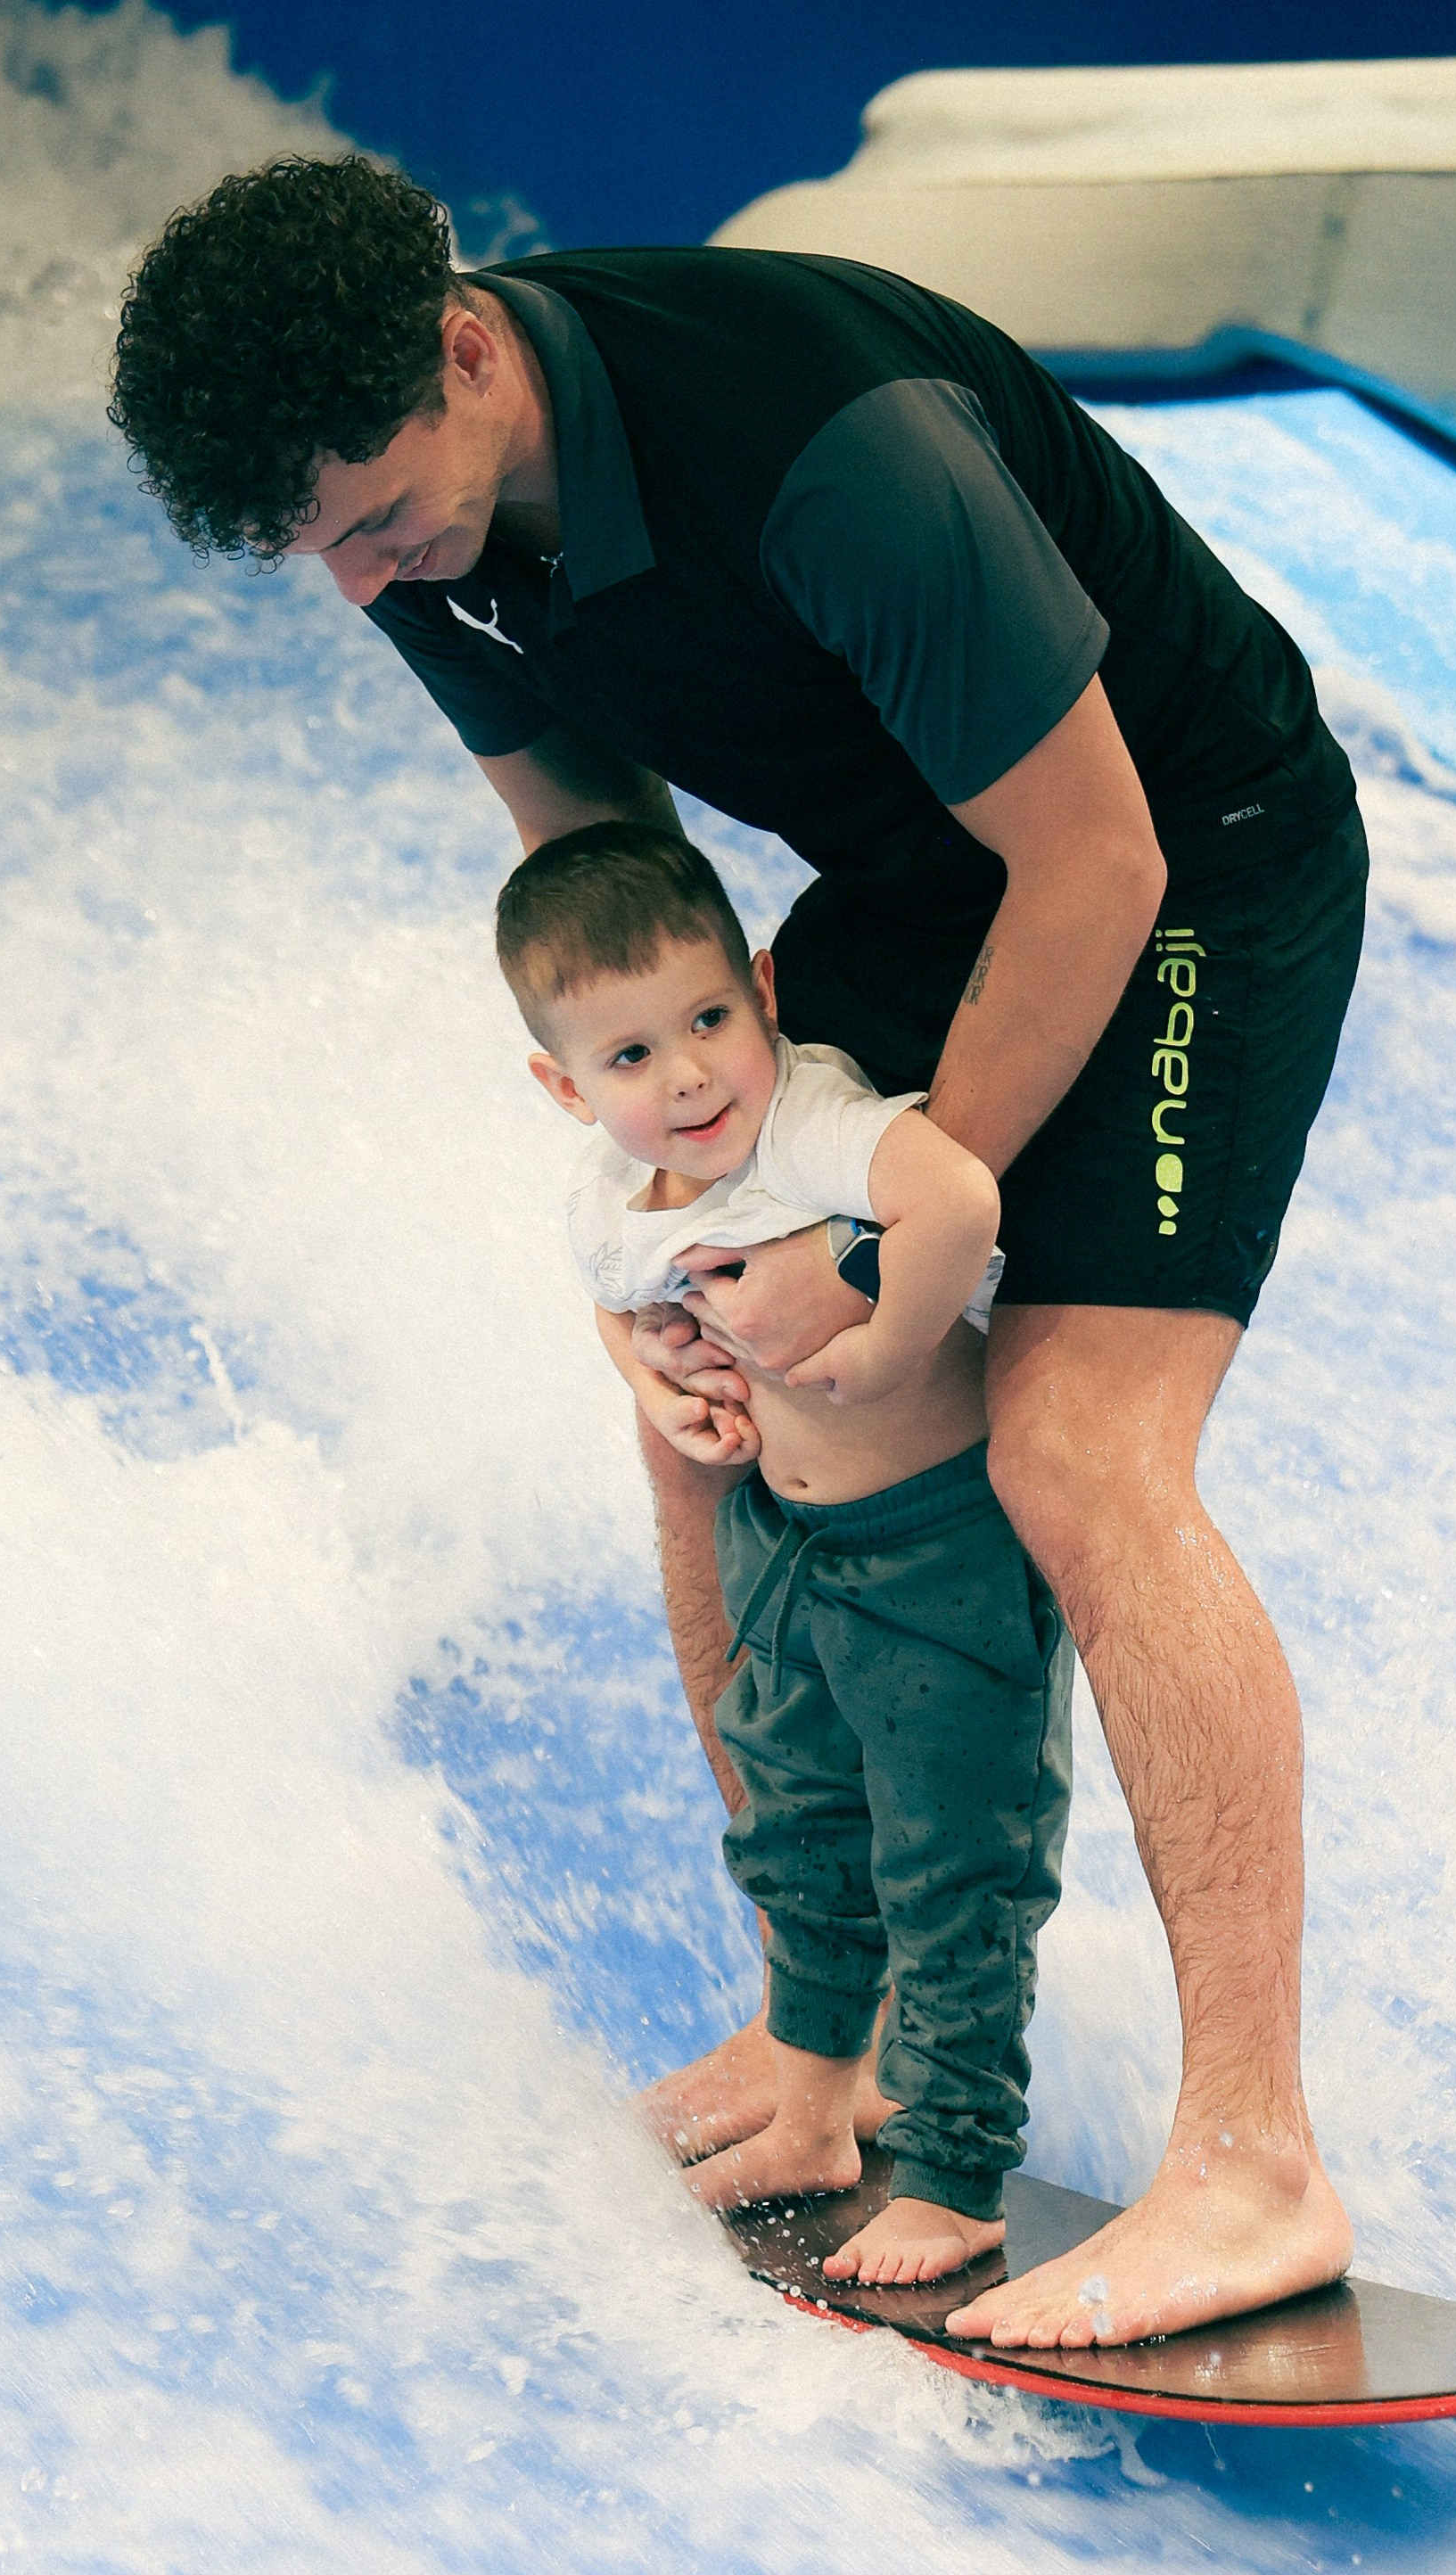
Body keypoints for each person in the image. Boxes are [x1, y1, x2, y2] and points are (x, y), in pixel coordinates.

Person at [108, 154, 1368, 2350]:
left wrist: (895, 1237)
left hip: (1182, 861)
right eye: (318, 553)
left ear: (470, 351)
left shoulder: (819, 443)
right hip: (914, 874)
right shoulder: (397, 508)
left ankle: (1255, 2158)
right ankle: (832, 2041)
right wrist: (671, 1241)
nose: (368, 579)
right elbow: (608, 891)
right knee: (714, 1391)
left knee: (1075, 1451)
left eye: (382, 521)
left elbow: (1091, 855)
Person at [500, 818, 1074, 2290]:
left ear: (762, 987)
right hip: (782, 1549)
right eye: (629, 1058)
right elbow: (616, 1300)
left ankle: (951, 2168)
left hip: (934, 1547)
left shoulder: (808, 1118)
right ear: (565, 1087)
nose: (688, 1074)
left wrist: (886, 1347)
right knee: (801, 1840)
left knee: (956, 1868)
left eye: (708, 1019)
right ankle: (817, 2113)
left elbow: (957, 1197)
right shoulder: (609, 1189)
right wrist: (655, 1385)